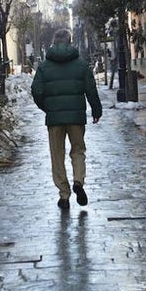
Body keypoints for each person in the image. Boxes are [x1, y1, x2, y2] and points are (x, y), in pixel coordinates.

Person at [31, 28, 103, 210]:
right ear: (70, 42)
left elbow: (36, 91)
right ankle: (78, 181)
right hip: (76, 117)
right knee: (78, 151)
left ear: (54, 42)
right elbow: (91, 89)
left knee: (57, 156)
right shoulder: (80, 64)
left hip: (54, 119)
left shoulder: (44, 66)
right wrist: (96, 109)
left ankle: (64, 195)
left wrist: (47, 108)